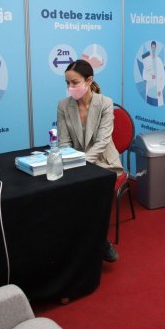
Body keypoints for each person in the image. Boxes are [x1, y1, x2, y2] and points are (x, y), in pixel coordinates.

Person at [57, 59, 123, 263]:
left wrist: (83, 163)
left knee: (88, 189)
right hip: (75, 161)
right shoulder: (63, 105)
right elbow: (64, 142)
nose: (70, 87)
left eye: (74, 82)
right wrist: (75, 162)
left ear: (89, 80)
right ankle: (89, 240)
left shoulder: (105, 103)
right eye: (67, 83)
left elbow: (103, 142)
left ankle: (99, 241)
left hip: (104, 162)